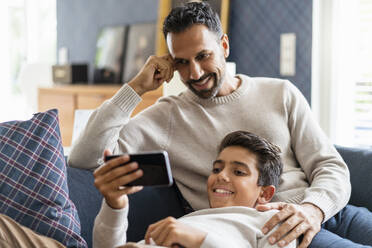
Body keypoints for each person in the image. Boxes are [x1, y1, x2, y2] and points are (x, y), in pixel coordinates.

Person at [68, 2, 372, 247]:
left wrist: (313, 209)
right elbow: (84, 156)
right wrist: (135, 88)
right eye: (182, 62)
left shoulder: (279, 93)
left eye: (203, 56)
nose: (195, 73)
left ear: (224, 45)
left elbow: (329, 166)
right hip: (267, 233)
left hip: (327, 210)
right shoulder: (167, 118)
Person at [93, 130, 297, 248]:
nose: (221, 176)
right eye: (217, 168)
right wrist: (115, 205)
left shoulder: (271, 222)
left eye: (239, 172)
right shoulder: (188, 221)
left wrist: (198, 240)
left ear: (265, 193)